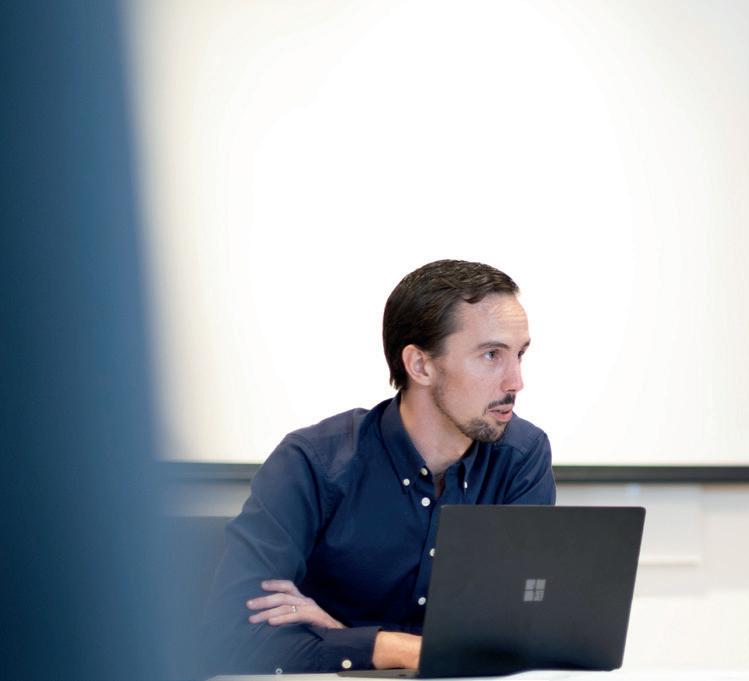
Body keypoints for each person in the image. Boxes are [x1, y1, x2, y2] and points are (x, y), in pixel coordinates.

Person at [202, 259, 556, 674]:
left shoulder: (522, 456)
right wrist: (400, 650)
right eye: (491, 355)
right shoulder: (312, 463)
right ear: (420, 365)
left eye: (520, 354)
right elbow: (232, 639)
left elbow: (516, 636)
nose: (516, 381)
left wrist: (352, 638)